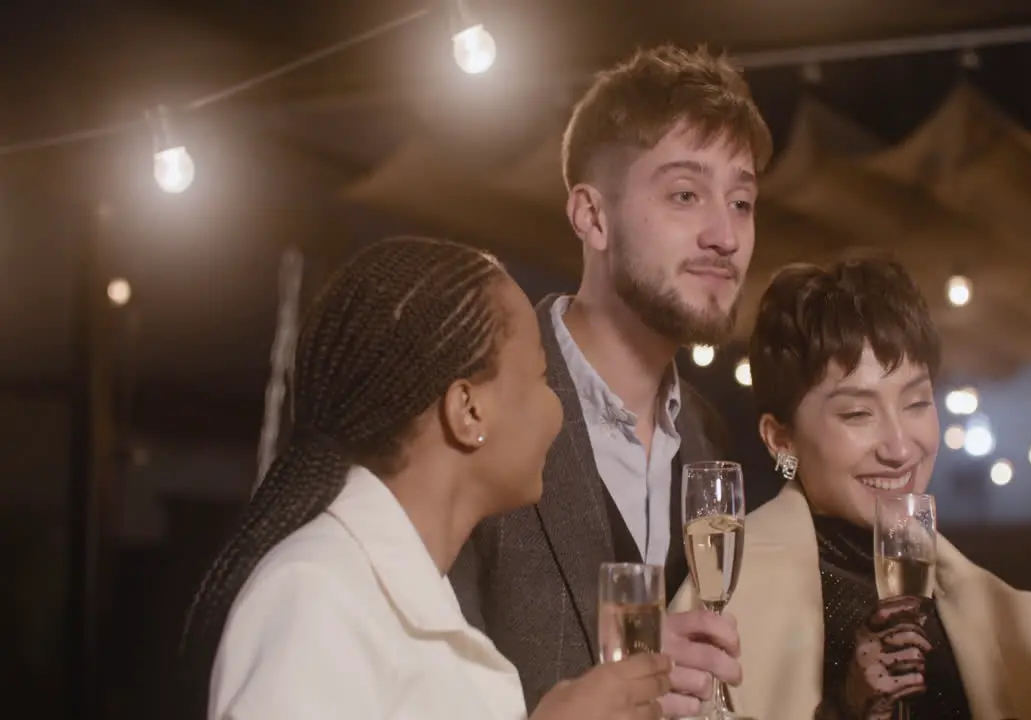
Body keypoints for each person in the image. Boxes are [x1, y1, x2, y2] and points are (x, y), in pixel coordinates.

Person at [177, 237, 673, 719]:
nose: (558, 411)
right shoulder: (315, 593)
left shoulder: (413, 597)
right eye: (543, 378)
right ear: (469, 410)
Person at [449, 44, 773, 717]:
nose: (726, 235)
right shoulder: (474, 409)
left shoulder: (709, 436)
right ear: (591, 216)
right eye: (686, 194)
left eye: (741, 201)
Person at [672, 256, 1031, 719]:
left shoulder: (986, 604)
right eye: (858, 413)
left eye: (917, 402)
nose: (900, 448)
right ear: (780, 438)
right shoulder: (728, 596)